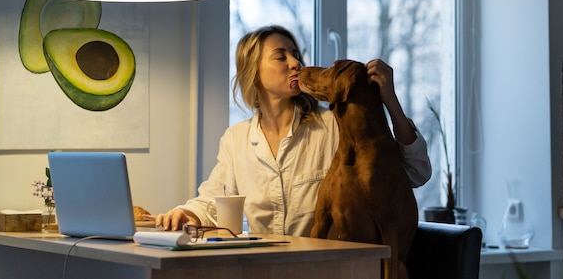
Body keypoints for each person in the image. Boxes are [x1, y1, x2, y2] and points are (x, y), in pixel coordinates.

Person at [152, 25, 431, 236]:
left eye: (296, 54)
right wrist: (184, 212)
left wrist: (390, 101)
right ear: (253, 71)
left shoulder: (333, 127)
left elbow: (416, 172)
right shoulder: (236, 139)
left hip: (327, 270)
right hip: (264, 268)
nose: (295, 63)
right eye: (280, 56)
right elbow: (214, 203)